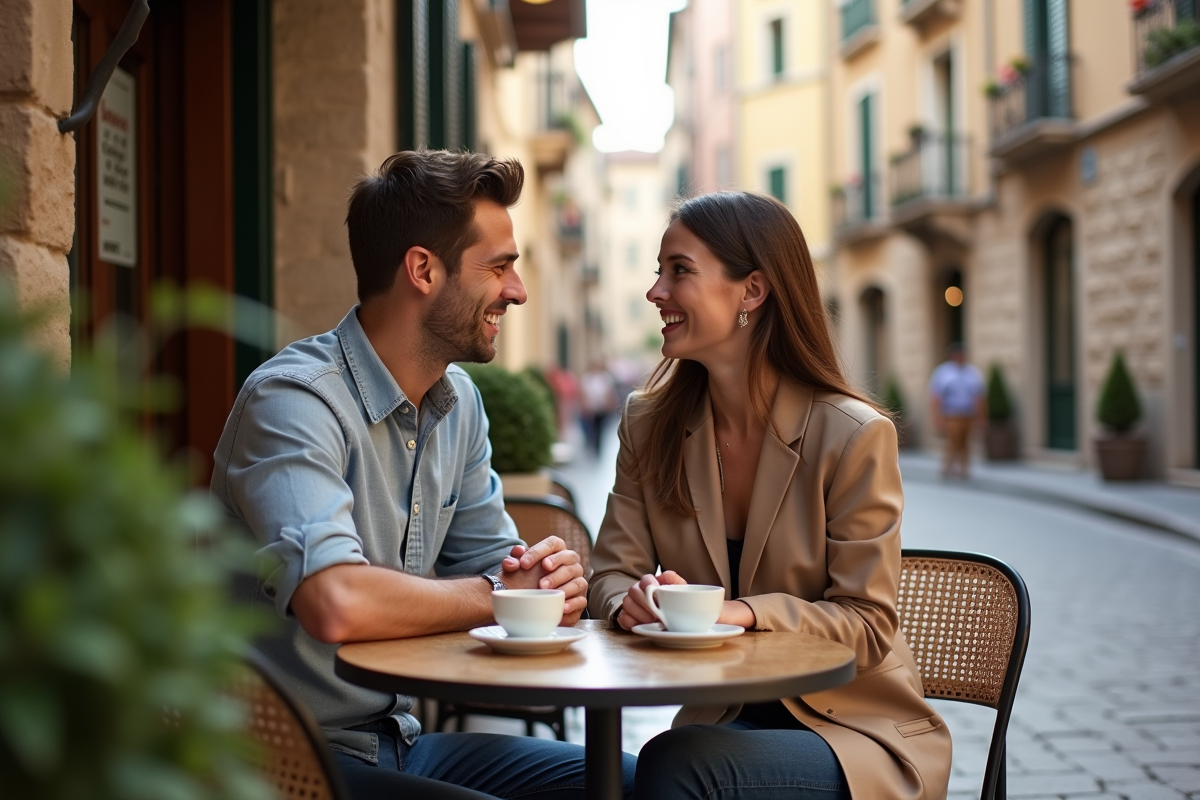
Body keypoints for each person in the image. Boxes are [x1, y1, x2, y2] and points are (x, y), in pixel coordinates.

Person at [211, 150, 635, 800]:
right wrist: (502, 593)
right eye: (499, 267)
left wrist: (547, 582)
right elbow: (335, 601)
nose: (517, 291)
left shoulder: (457, 402)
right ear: (422, 270)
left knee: (638, 781)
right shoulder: (293, 401)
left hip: (396, 740)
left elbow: (501, 567)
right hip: (278, 762)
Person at [588, 192, 951, 800]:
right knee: (650, 767)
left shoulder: (854, 435)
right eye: (658, 271)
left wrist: (741, 612)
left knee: (676, 765)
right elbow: (608, 578)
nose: (656, 292)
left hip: (858, 733)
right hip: (724, 720)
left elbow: (868, 624)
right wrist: (634, 600)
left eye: (680, 270)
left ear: (751, 291)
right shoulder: (647, 425)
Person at [928, 342, 985, 478]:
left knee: (966, 442)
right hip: (951, 413)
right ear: (952, 356)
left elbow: (979, 396)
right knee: (953, 440)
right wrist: (937, 417)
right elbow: (936, 396)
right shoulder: (943, 372)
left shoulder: (973, 372)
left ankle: (964, 469)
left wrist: (981, 416)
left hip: (968, 413)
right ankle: (948, 467)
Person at [579, 361, 618, 457]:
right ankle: (591, 443)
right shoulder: (587, 378)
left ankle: (597, 447)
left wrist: (608, 404)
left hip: (601, 408)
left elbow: (609, 392)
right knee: (590, 427)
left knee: (600, 428)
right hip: (590, 408)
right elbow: (583, 393)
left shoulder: (604, 378)